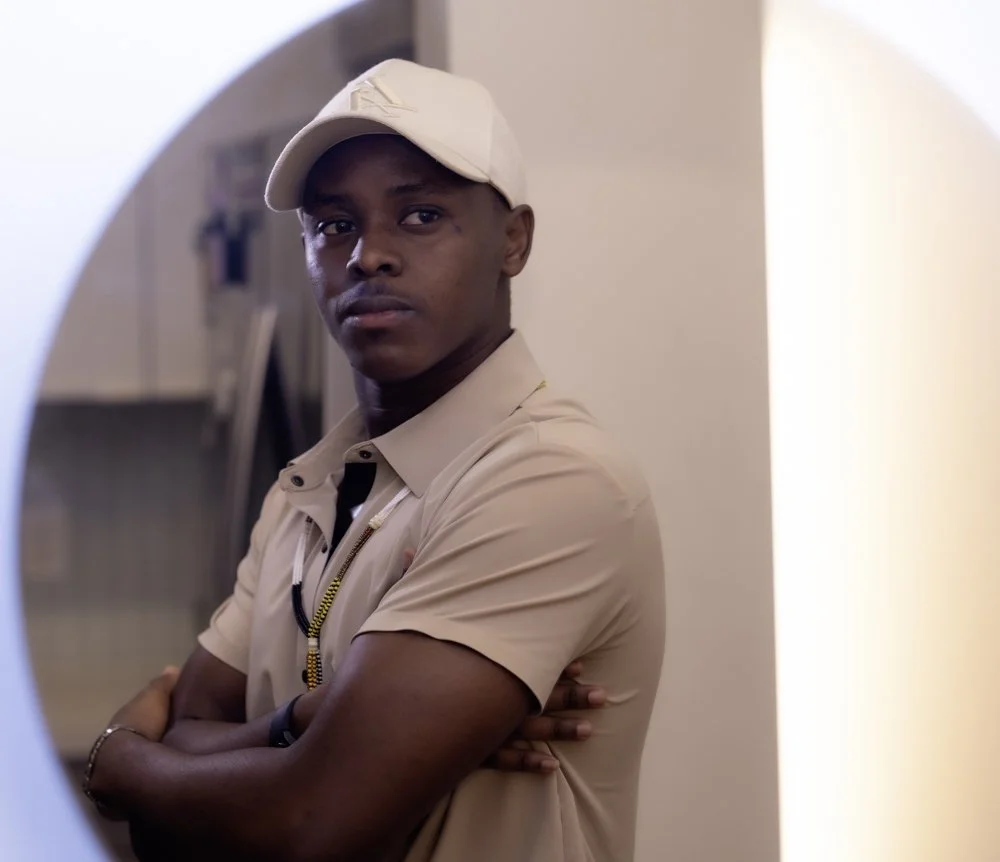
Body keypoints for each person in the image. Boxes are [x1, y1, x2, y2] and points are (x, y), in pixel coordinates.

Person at [84, 59, 666, 862]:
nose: (368, 255)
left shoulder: (548, 480)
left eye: (421, 215)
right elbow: (189, 744)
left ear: (514, 240)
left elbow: (310, 826)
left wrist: (120, 760)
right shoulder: (308, 492)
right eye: (333, 224)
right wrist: (295, 728)